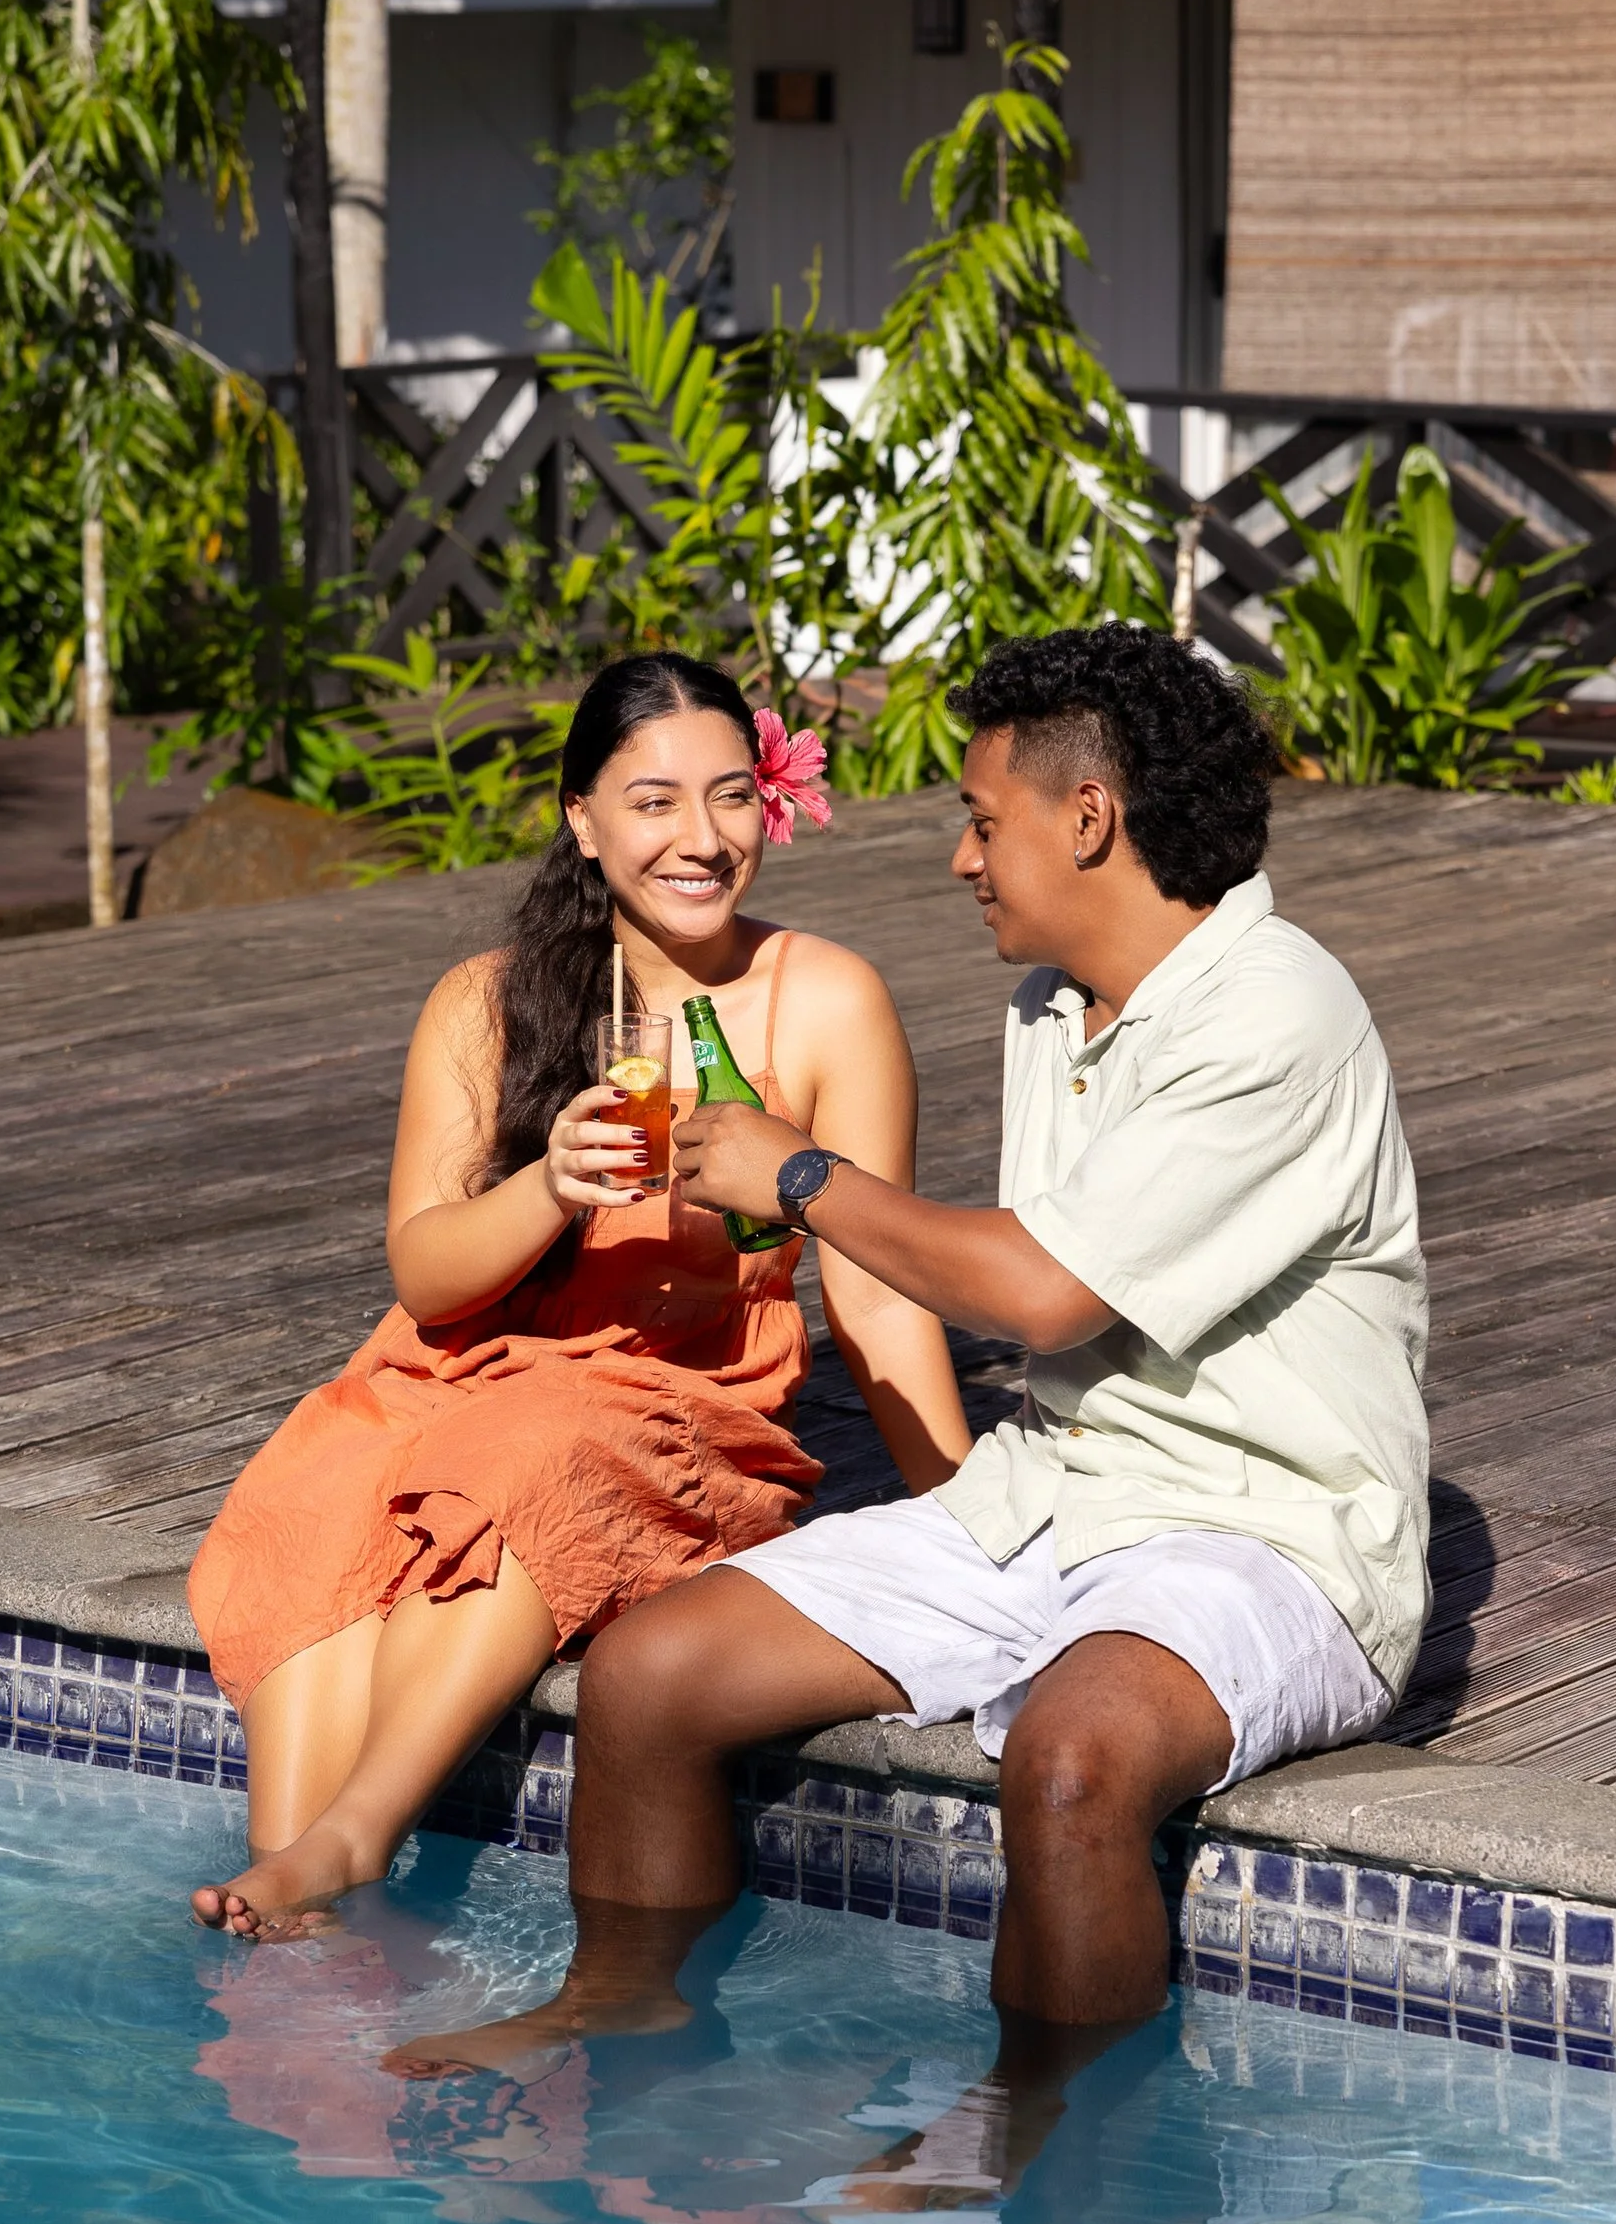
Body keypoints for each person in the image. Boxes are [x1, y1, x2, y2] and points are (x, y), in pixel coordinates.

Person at [399, 624, 1429, 2060]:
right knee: (651, 1676)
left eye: (980, 820)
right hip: (1063, 1497)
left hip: (1279, 1539)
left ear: (1089, 820)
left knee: (1071, 1761)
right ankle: (621, 2026)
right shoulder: (1056, 1007)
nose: (959, 857)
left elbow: (1045, 1294)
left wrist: (802, 1178)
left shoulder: (1274, 1014)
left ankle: (1049, 2149)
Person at [186, 651, 970, 1939]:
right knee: (320, 1494)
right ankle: (293, 1892)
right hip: (456, 1365)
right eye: (654, 802)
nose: (702, 839)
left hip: (672, 1398)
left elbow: (881, 1297)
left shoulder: (825, 1000)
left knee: (530, 1452)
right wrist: (550, 1185)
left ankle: (352, 1842)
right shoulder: (487, 1003)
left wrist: (966, 1521)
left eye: (730, 798)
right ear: (584, 821)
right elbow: (425, 1274)